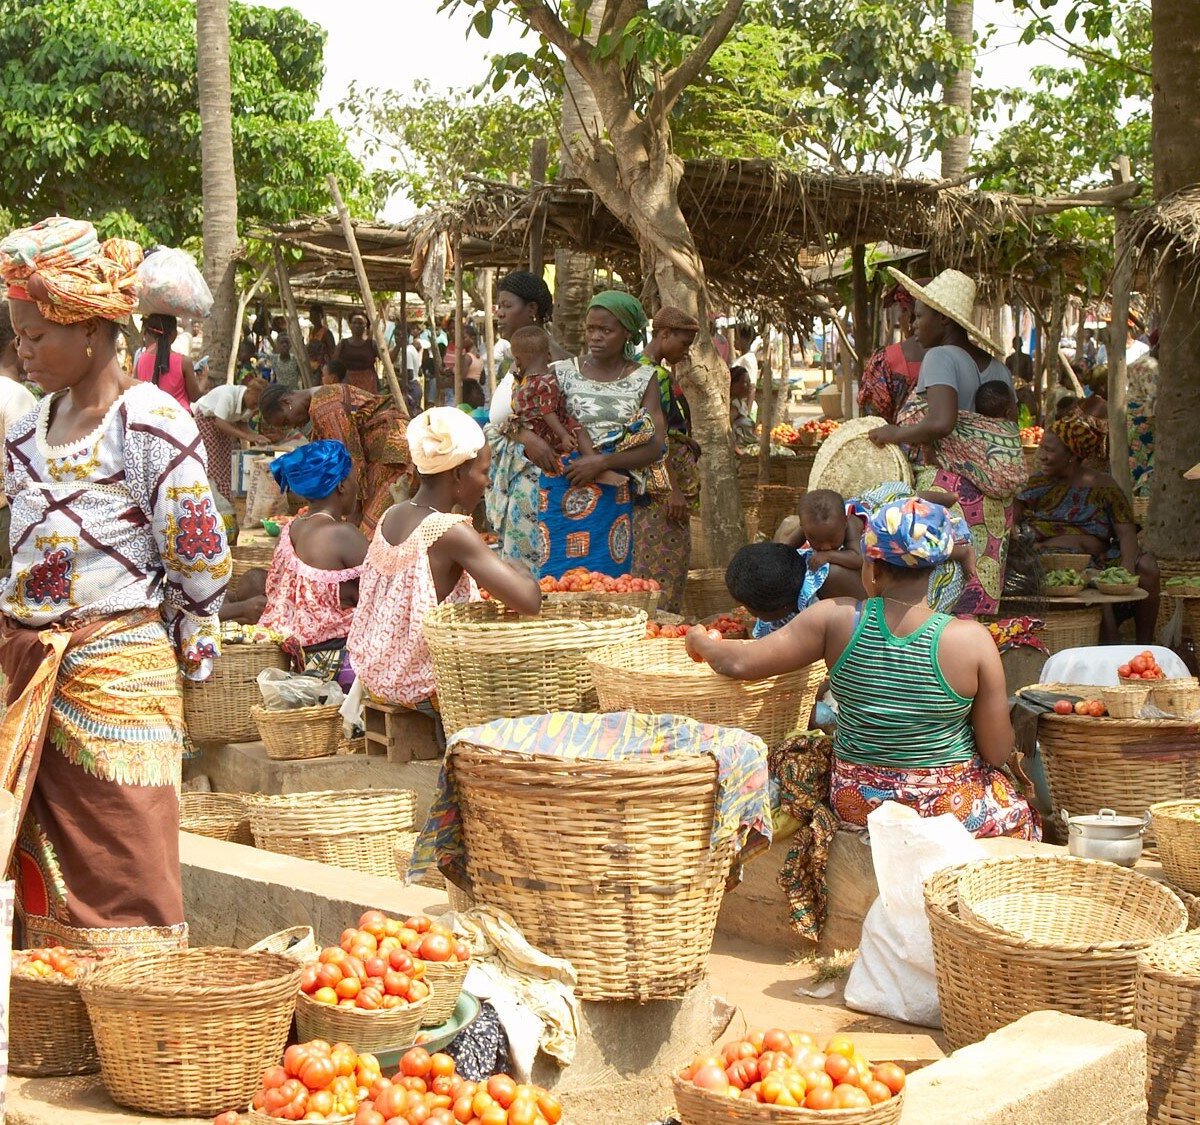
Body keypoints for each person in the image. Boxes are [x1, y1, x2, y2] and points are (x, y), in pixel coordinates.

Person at [0, 215, 230, 953]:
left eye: (37, 335)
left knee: (126, 851)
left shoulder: (149, 420)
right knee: (40, 858)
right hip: (30, 671)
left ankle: (135, 1012)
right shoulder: (27, 429)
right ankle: (56, 1015)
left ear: (94, 331)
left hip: (115, 674)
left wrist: (195, 635)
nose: (22, 350)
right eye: (18, 335)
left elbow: (197, 550)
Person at [687, 498, 1039, 840]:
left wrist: (700, 639)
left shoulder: (836, 619)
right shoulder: (972, 640)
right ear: (935, 568)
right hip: (946, 805)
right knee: (1024, 814)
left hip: (857, 802)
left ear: (873, 565)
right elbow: (996, 752)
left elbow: (738, 661)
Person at [348, 408, 541, 739]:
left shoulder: (392, 515)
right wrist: (522, 568)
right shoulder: (448, 530)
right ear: (456, 475)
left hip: (378, 674)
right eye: (483, 472)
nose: (487, 481)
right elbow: (529, 602)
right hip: (418, 687)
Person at [868, 269, 1024, 616]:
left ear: (943, 318)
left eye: (920, 316)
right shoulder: (998, 368)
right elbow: (1004, 431)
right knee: (979, 594)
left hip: (951, 488)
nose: (913, 326)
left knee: (943, 594)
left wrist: (892, 433)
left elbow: (941, 421)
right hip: (994, 501)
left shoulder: (940, 357)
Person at [485, 291, 667, 577]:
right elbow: (510, 416)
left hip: (610, 496)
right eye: (591, 329)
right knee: (553, 578)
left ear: (628, 333)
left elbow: (656, 445)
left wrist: (603, 463)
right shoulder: (562, 371)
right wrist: (530, 439)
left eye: (606, 330)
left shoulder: (645, 379)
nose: (596, 337)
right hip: (556, 489)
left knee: (605, 582)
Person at [1017, 415, 1160, 643]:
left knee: (1148, 566)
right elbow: (1011, 524)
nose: (1041, 455)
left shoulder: (1104, 486)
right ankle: (1106, 643)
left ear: (1072, 456)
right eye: (1041, 447)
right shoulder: (1034, 485)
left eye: (1049, 450)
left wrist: (1123, 577)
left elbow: (1126, 534)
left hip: (1099, 561)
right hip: (1049, 562)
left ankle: (1145, 643)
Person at [259, 441, 368, 689]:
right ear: (342, 485)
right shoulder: (343, 534)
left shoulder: (290, 530)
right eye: (353, 479)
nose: (356, 486)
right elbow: (387, 591)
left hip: (300, 660)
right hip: (341, 664)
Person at [259, 381, 411, 534]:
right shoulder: (321, 398)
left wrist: (354, 515)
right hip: (385, 455)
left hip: (393, 455)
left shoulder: (324, 407)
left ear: (286, 402)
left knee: (370, 532)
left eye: (286, 421)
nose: (293, 426)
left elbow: (349, 461)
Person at [633, 305, 701, 614]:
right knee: (665, 563)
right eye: (683, 344)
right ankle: (661, 624)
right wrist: (673, 488)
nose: (685, 352)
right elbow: (656, 438)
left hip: (655, 484)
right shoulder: (653, 376)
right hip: (662, 489)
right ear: (664, 334)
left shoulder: (640, 369)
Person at [488, 270, 570, 429]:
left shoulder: (554, 364)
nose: (499, 313)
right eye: (499, 306)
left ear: (532, 309)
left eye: (507, 306)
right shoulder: (523, 357)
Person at [191, 377, 269, 502]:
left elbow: (242, 424)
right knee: (214, 462)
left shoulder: (250, 405)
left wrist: (255, 436)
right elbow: (220, 423)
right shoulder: (228, 395)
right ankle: (215, 500)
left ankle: (226, 498)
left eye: (257, 405)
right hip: (207, 420)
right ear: (248, 392)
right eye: (255, 403)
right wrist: (247, 437)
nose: (255, 407)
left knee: (226, 461)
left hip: (223, 422)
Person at [508, 325, 583, 454]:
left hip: (526, 435)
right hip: (547, 433)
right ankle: (592, 457)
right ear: (549, 356)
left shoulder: (519, 384)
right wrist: (564, 435)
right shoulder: (547, 381)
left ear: (517, 361)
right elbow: (547, 411)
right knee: (579, 429)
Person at [857, 281, 925, 423]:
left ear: (908, 313)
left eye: (901, 310)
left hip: (895, 443)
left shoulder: (885, 361)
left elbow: (871, 421)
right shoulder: (967, 358)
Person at [134, 313, 204, 409]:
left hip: (148, 418)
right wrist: (203, 379)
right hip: (178, 420)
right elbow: (195, 397)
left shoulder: (141, 359)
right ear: (174, 334)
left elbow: (136, 391)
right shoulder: (184, 362)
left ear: (151, 333)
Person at [334, 313, 380, 394]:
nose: (357, 325)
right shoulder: (342, 344)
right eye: (354, 323)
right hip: (347, 382)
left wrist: (398, 345)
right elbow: (334, 364)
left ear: (366, 326)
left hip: (368, 384)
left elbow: (389, 361)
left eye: (360, 323)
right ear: (350, 325)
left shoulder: (372, 344)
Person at [306, 303, 336, 381]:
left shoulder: (326, 333)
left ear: (321, 316)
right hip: (311, 367)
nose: (313, 318)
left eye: (316, 316)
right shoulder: (311, 331)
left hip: (322, 368)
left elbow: (333, 351)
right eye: (311, 316)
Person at [730, 365, 756, 447]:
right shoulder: (733, 406)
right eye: (745, 383)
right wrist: (739, 452)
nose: (749, 386)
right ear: (733, 384)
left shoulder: (741, 403)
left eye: (749, 382)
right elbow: (725, 432)